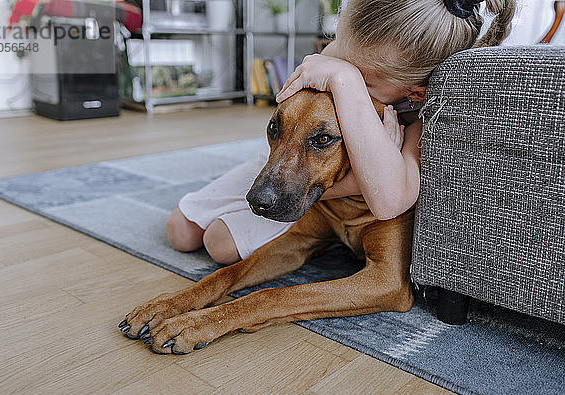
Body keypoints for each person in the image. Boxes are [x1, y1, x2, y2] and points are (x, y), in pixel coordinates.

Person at [165, 0, 515, 265]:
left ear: (414, 92)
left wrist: (344, 80)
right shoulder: (349, 53)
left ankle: (315, 236)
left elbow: (390, 199)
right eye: (341, 61)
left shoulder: (427, 113)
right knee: (179, 233)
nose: (340, 72)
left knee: (219, 243)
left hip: (324, 187)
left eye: (361, 80)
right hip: (293, 159)